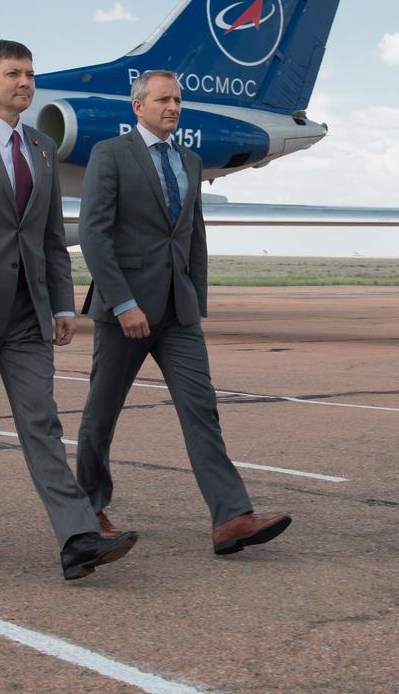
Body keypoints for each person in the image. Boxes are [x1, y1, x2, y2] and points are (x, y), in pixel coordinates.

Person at [0, 39, 137, 581]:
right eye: (14, 73)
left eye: (30, 74)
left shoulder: (39, 146)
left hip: (25, 315)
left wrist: (62, 302)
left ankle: (78, 537)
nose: (25, 83)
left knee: (41, 420)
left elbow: (49, 236)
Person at [76, 70, 292, 555]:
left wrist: (195, 300)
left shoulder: (189, 161)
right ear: (139, 106)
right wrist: (123, 301)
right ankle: (87, 510)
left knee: (202, 411)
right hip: (126, 312)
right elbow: (94, 235)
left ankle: (231, 518)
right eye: (163, 100)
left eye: (177, 100)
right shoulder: (110, 156)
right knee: (100, 417)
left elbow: (193, 234)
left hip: (178, 312)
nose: (173, 107)